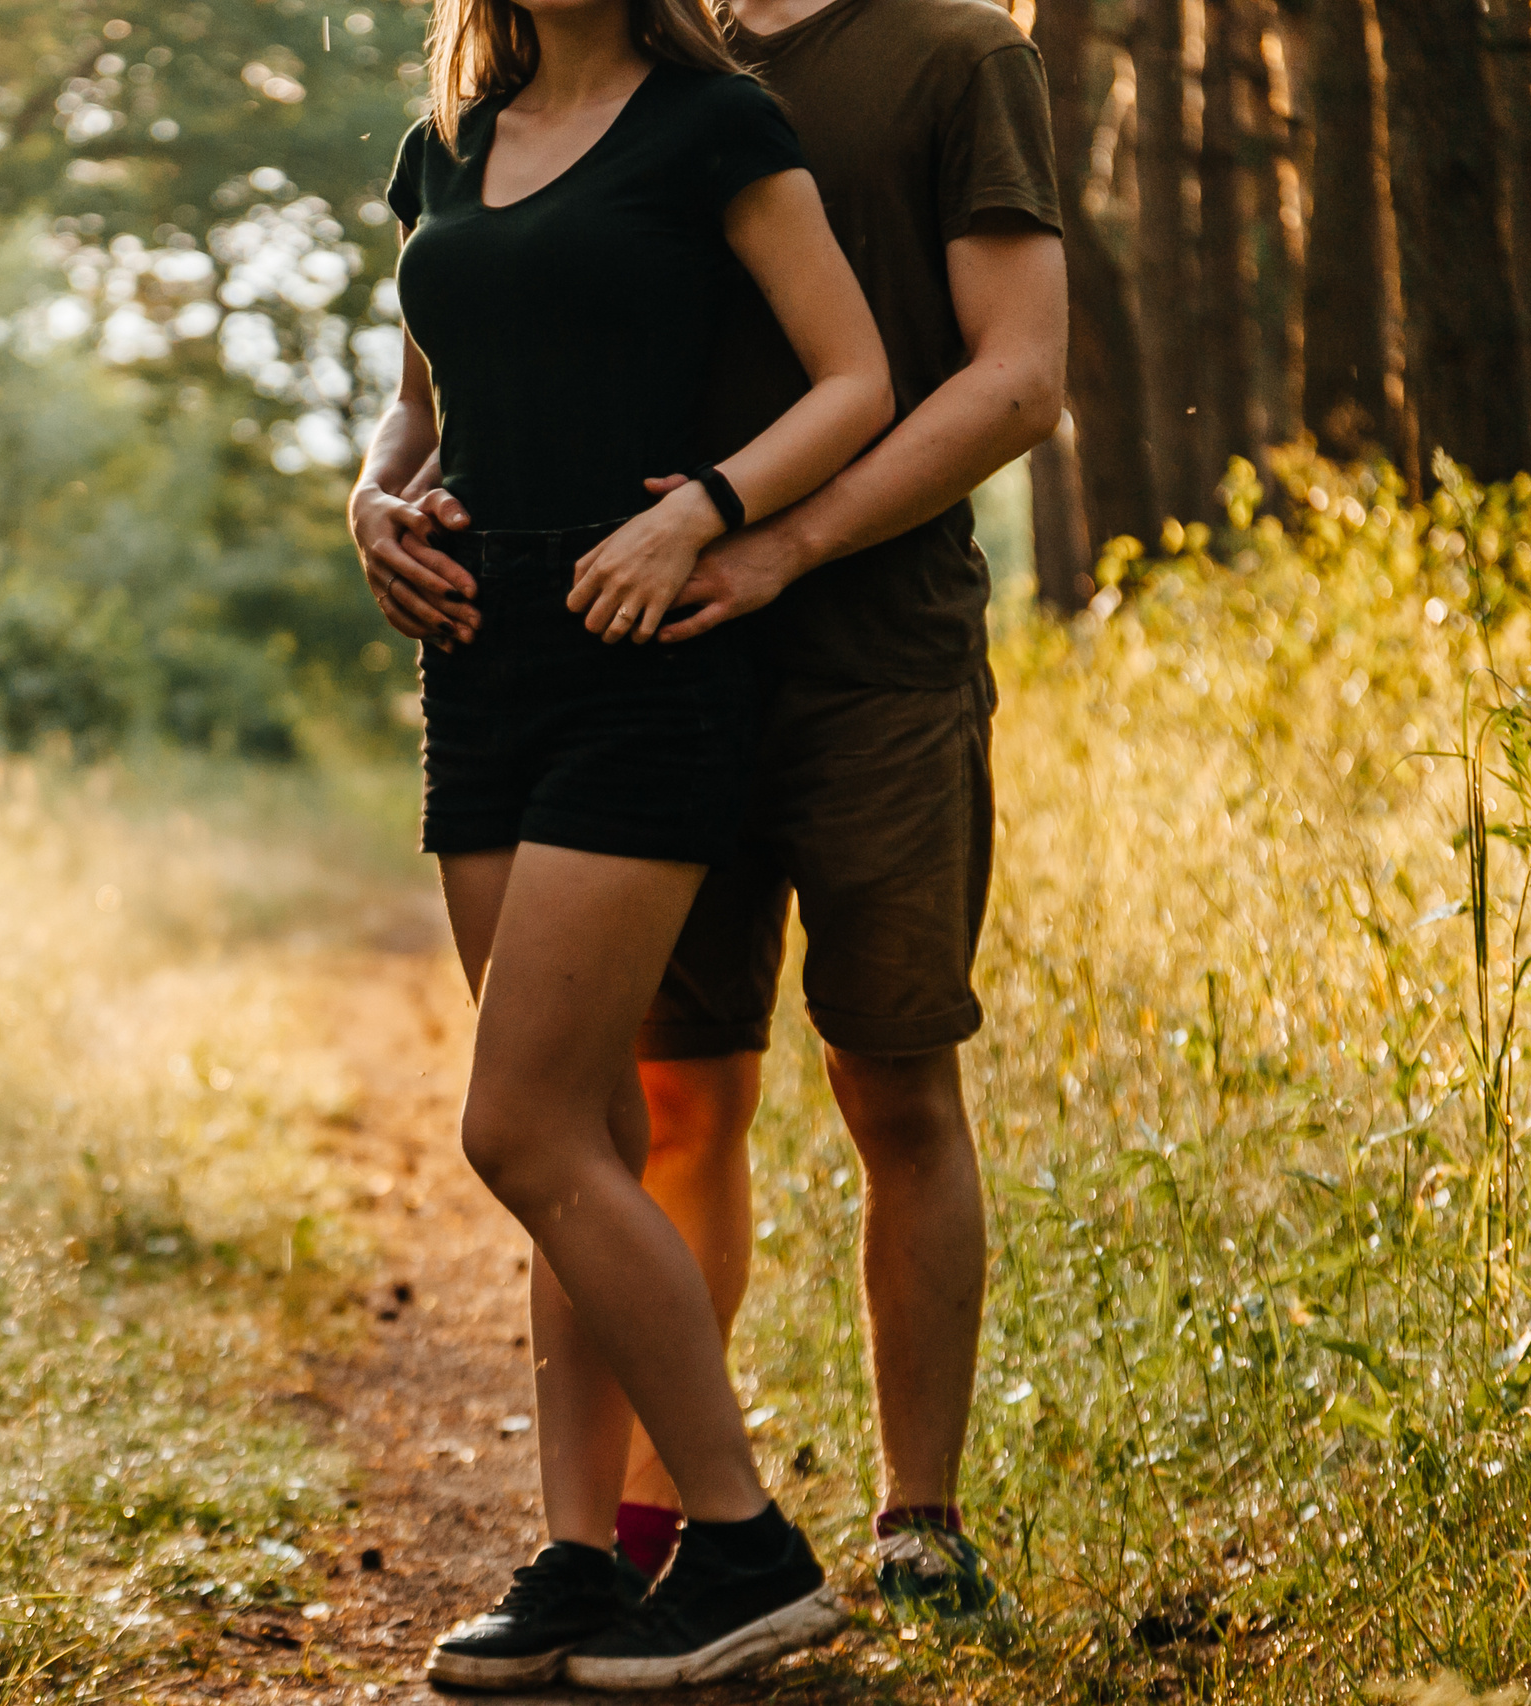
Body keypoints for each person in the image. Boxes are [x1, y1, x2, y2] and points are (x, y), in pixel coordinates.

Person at [359, 0, 1072, 1636]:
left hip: (854, 649)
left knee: (892, 1078)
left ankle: (912, 1517)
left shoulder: (942, 56)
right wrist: (372, 493)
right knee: (647, 1116)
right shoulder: (510, 107)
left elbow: (1013, 380)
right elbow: (433, 390)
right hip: (606, 641)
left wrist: (763, 537)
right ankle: (626, 1532)